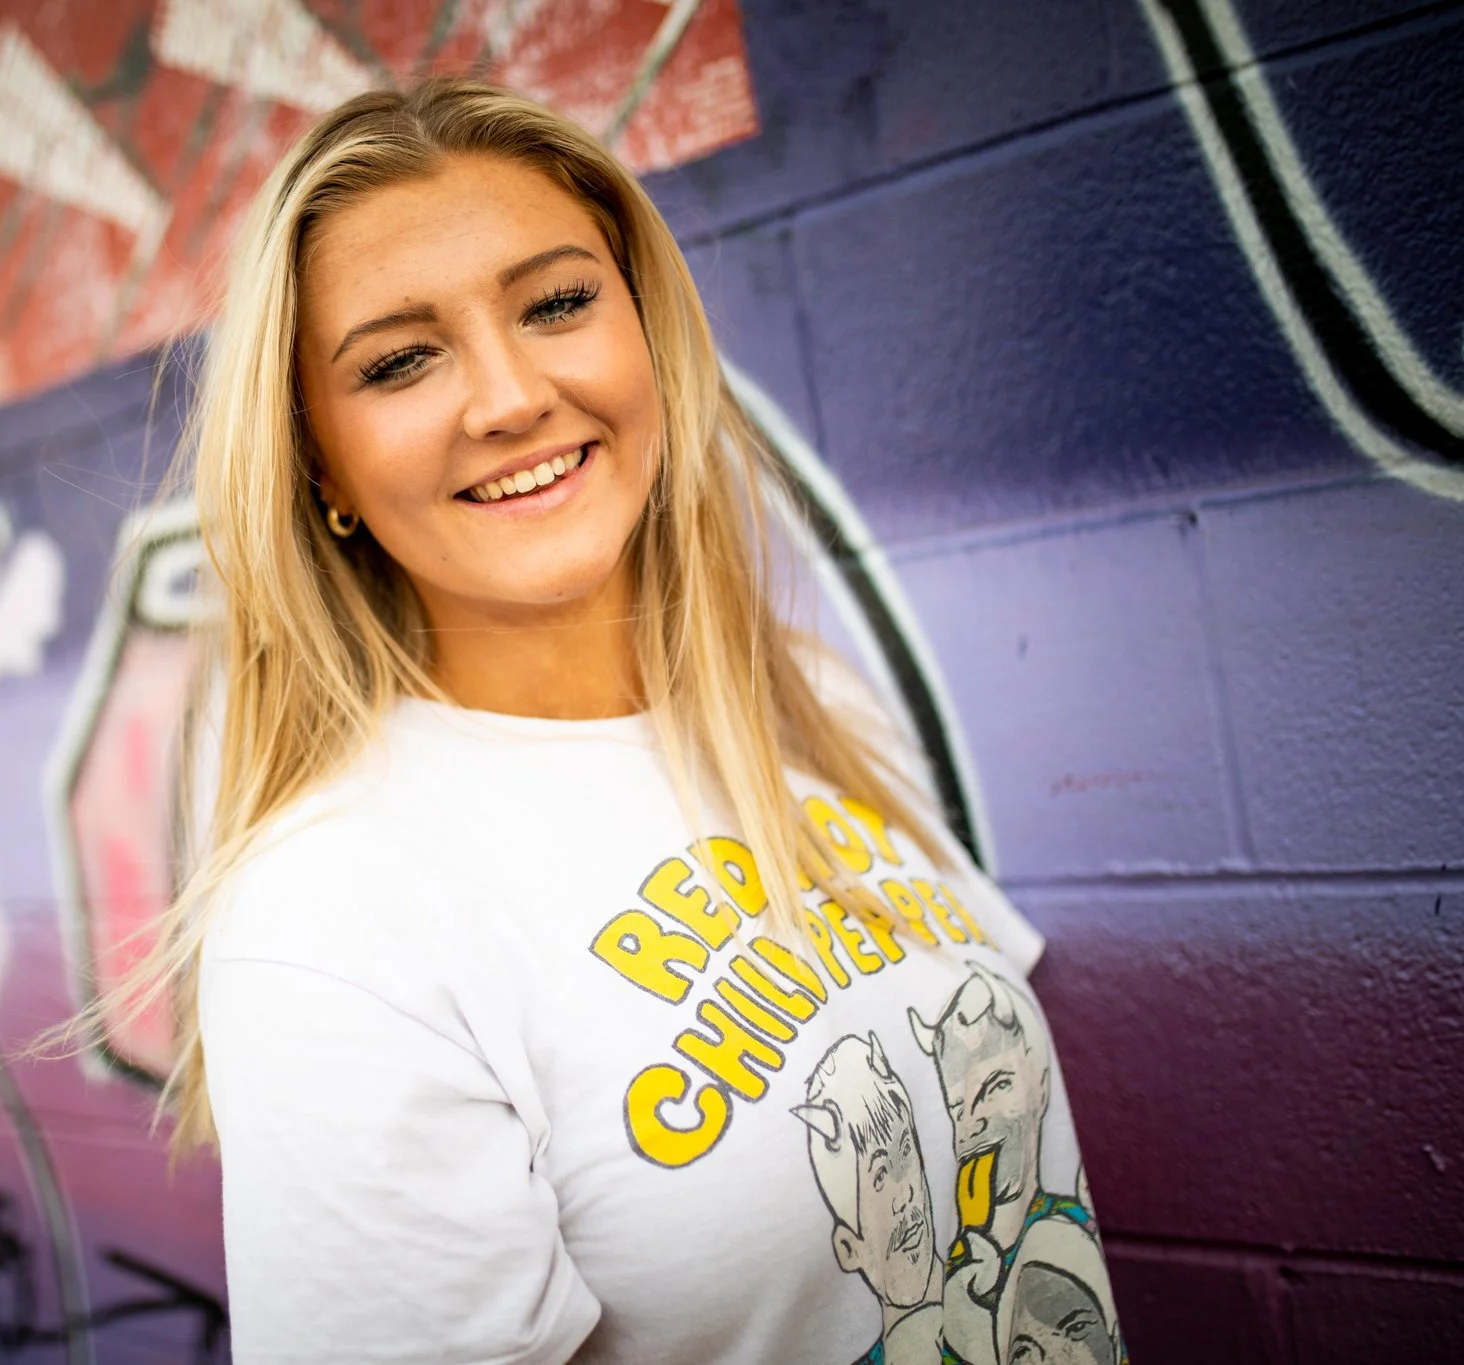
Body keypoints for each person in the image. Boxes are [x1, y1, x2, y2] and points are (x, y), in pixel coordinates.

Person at [97, 78, 1125, 1363]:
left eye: (556, 303)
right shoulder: (333, 911)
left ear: (644, 330)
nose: (508, 396)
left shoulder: (811, 701)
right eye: (400, 361)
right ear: (320, 463)